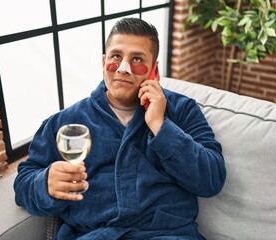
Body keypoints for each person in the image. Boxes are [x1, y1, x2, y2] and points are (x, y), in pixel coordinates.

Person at [14, 17, 226, 240]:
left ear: (154, 70)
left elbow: (212, 180)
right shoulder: (64, 123)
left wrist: (160, 126)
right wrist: (44, 183)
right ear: (104, 62)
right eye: (116, 56)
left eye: (137, 59)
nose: (123, 69)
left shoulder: (182, 110)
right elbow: (23, 184)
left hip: (168, 234)